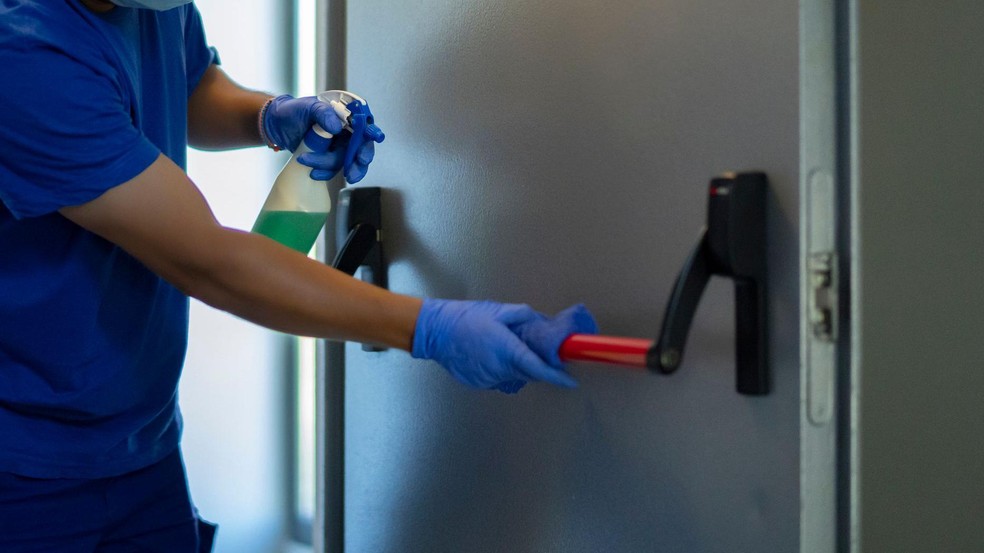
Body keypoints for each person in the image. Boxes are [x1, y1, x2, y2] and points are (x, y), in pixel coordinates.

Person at [0, 0, 598, 551]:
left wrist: (268, 116)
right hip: (26, 470)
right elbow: (211, 263)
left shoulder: (149, 5)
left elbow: (193, 86)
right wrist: (430, 327)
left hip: (141, 441)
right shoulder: (24, 51)